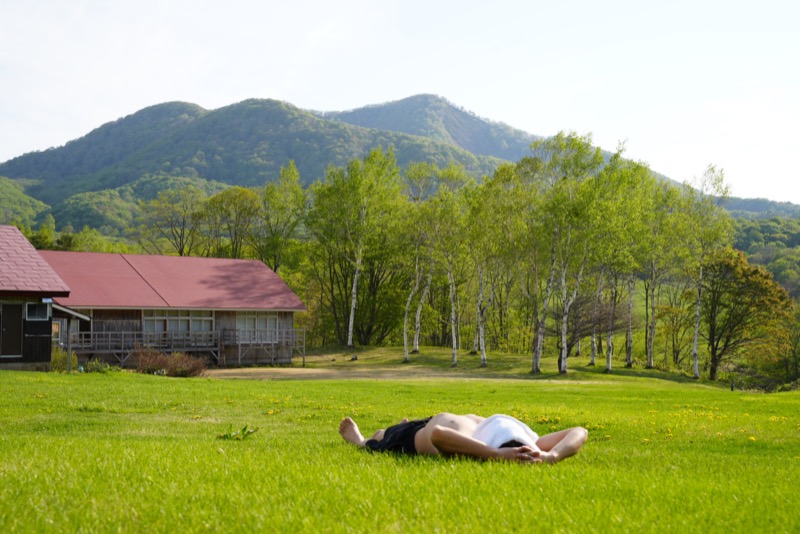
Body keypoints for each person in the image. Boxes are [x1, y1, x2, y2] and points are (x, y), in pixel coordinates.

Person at [339, 412, 588, 464]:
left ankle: (359, 440)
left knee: (383, 437)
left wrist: (495, 454)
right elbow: (579, 431)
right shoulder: (533, 445)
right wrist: (553, 455)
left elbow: (438, 435)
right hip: (440, 419)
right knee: (402, 427)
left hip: (413, 437)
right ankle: (403, 423)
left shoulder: (482, 446)